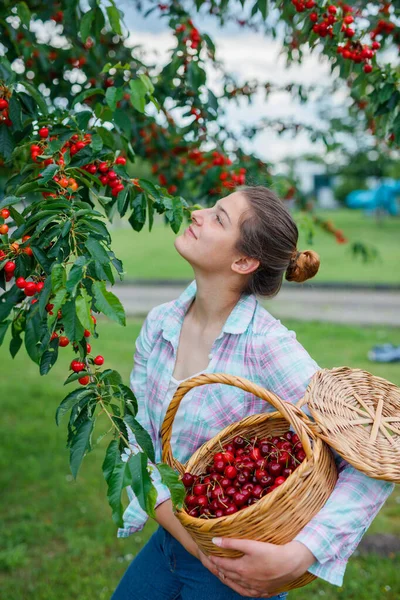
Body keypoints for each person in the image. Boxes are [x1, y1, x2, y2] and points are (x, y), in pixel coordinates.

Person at [111, 186, 394, 600]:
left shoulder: (267, 346)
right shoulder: (160, 325)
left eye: (219, 217)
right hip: (172, 545)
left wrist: (300, 555)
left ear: (243, 261)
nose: (197, 213)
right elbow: (134, 440)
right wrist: (187, 536)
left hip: (238, 571)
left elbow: (370, 456)